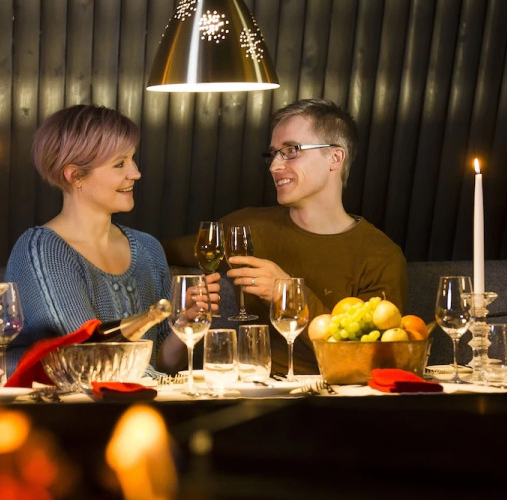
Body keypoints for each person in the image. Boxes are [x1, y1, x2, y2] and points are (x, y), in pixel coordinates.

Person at [163, 99, 407, 375]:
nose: (274, 166)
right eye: (274, 154)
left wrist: (288, 294)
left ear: (335, 158)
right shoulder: (245, 229)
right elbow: (158, 251)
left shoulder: (381, 255)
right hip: (247, 392)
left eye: (291, 151)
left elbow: (370, 364)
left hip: (332, 396)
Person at [5, 104, 220, 376]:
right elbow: (88, 357)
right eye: (120, 164)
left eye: (132, 159)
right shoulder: (42, 249)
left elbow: (163, 364)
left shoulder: (148, 248)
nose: (135, 173)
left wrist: (185, 325)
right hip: (59, 403)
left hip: (137, 400)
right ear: (75, 176)